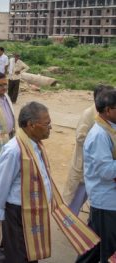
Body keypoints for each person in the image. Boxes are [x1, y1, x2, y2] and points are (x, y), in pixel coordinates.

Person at [0, 102, 99, 263]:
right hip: (17, 214)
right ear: (31, 125)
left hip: (34, 211)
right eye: (47, 124)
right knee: (19, 257)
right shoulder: (14, 150)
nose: (50, 127)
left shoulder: (36, 145)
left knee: (27, 254)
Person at [77, 89, 116, 262]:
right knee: (106, 251)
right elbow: (107, 171)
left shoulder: (110, 128)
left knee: (93, 246)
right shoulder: (99, 134)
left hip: (108, 201)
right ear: (108, 110)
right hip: (106, 202)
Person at [64, 84, 114, 215]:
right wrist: (99, 144)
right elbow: (80, 136)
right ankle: (69, 223)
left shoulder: (109, 118)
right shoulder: (89, 114)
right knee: (76, 197)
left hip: (99, 161)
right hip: (85, 161)